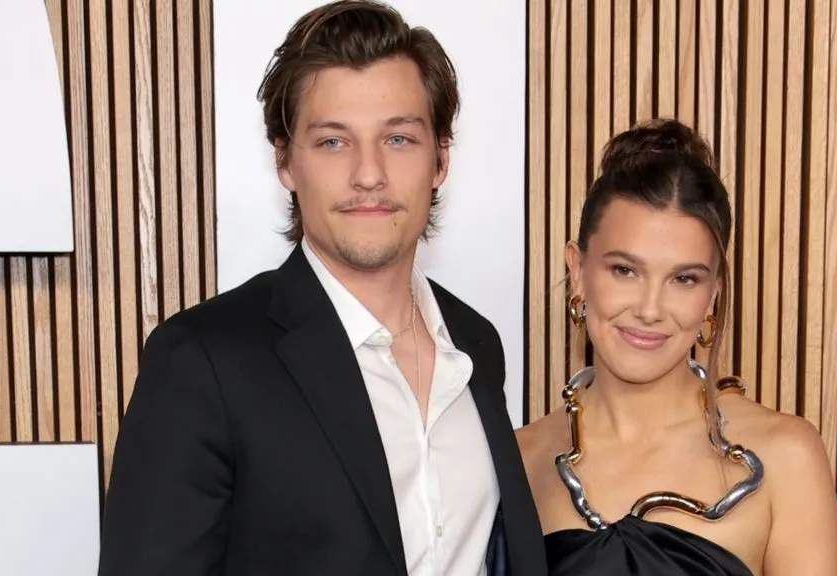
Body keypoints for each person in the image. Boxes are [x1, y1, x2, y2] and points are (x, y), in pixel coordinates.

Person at [98, 2, 545, 574]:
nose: (368, 174)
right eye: (334, 141)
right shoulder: (202, 362)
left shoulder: (476, 344)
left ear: (441, 158)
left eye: (400, 138)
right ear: (285, 160)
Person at [516, 118, 837, 575]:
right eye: (624, 271)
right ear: (577, 269)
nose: (650, 309)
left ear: (712, 294)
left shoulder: (786, 456)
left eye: (683, 279)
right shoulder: (519, 460)